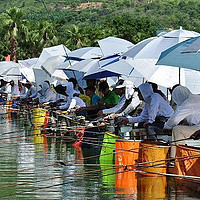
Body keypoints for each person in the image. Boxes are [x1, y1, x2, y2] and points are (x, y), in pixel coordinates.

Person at [163, 86, 200, 158]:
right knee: (178, 128)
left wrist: (166, 127)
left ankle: (176, 157)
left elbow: (175, 119)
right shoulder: (194, 98)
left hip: (198, 128)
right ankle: (175, 156)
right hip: (196, 126)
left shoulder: (189, 102)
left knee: (177, 130)